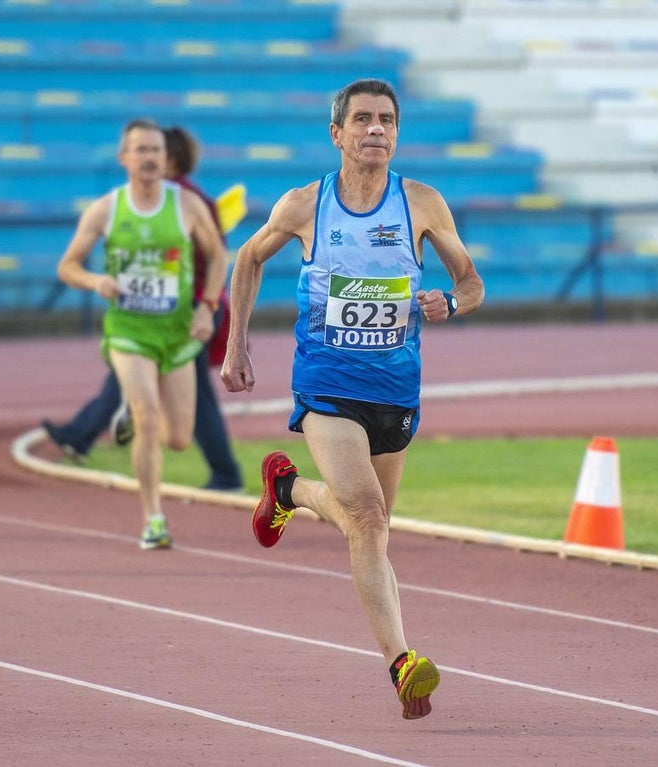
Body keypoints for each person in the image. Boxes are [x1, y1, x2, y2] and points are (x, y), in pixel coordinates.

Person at [220, 78, 484, 720]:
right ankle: (402, 662)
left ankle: (289, 492)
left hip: (394, 390)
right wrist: (237, 345)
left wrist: (447, 303)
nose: (376, 130)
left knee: (372, 528)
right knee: (365, 517)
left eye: (386, 120)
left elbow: (472, 283)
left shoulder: (421, 203)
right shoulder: (305, 205)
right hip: (326, 384)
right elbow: (248, 260)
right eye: (362, 119)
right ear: (336, 133)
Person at [56, 118, 228, 549]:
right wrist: (96, 282)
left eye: (155, 150)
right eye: (140, 150)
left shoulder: (186, 205)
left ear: (165, 158)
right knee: (150, 420)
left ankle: (129, 414)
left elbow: (218, 254)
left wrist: (207, 308)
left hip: (177, 333)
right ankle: (153, 518)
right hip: (129, 330)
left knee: (179, 438)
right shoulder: (107, 209)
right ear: (124, 158)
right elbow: (68, 265)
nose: (149, 158)